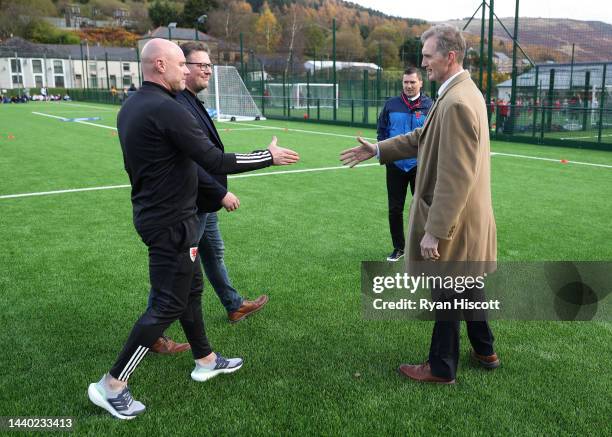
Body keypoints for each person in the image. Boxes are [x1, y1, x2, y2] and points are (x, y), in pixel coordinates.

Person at [87, 38, 299, 419]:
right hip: (171, 222)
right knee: (167, 302)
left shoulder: (134, 104)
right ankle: (112, 384)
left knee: (193, 288)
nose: (187, 70)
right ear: (159, 67)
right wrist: (269, 156)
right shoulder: (164, 108)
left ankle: (206, 359)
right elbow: (215, 159)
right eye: (180, 64)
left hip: (163, 216)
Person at [341, 24, 498, 384]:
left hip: (456, 220)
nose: (423, 63)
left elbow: (456, 176)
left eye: (428, 56)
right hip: (470, 218)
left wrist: (435, 231)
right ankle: (485, 348)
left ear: (450, 56)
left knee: (448, 289)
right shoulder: (459, 92)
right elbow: (423, 136)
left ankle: (442, 367)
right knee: (467, 283)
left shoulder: (456, 101)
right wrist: (379, 149)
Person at [148, 41, 272, 355]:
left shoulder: (191, 101)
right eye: (200, 64)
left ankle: (233, 304)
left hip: (205, 204)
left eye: (209, 65)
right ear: (181, 66)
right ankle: (154, 332)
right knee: (177, 269)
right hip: (194, 204)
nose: (207, 70)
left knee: (213, 255)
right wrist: (221, 191)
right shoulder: (178, 105)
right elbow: (195, 161)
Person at [377, 67, 432, 262]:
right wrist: (388, 155)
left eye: (412, 82)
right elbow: (382, 132)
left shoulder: (430, 105)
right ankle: (398, 248)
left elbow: (433, 136)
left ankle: (424, 249)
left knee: (423, 207)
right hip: (396, 166)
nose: (408, 86)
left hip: (421, 166)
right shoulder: (391, 105)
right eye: (405, 82)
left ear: (420, 83)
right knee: (395, 208)